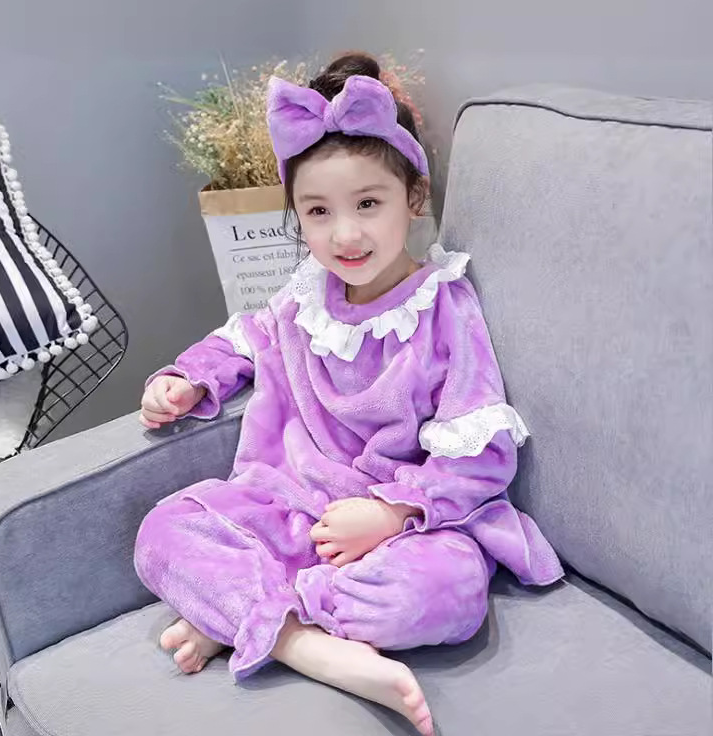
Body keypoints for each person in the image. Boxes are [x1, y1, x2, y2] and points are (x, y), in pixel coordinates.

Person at [134, 53, 562, 736]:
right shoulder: (303, 299)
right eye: (318, 211)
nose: (346, 234)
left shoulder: (443, 308)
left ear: (413, 198)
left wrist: (391, 513)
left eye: (368, 203)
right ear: (298, 219)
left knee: (445, 595)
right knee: (162, 533)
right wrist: (187, 380)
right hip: (295, 510)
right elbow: (244, 338)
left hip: (407, 529)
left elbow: (479, 455)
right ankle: (301, 644)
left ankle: (240, 614)